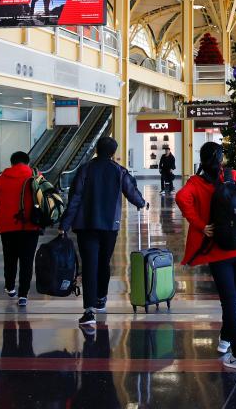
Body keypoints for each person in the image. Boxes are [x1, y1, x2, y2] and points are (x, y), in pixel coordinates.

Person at [176, 141, 236, 371]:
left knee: (229, 301)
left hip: (219, 253)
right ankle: (225, 339)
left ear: (202, 161)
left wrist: (200, 224)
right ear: (222, 159)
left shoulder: (196, 182)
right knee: (232, 297)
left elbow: (181, 198)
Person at [59, 136, 147, 327]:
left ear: (97, 150)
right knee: (103, 263)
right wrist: (142, 203)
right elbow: (131, 191)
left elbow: (75, 198)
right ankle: (101, 298)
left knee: (90, 265)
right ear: (113, 153)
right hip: (109, 226)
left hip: (85, 226)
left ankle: (89, 310)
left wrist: (64, 224)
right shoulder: (118, 170)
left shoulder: (85, 169)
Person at [0, 151, 42, 307]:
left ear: (12, 163)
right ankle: (23, 295)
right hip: (31, 225)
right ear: (27, 162)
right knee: (27, 261)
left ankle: (10, 287)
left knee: (9, 258)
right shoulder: (35, 175)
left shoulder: (3, 177)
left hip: (8, 226)